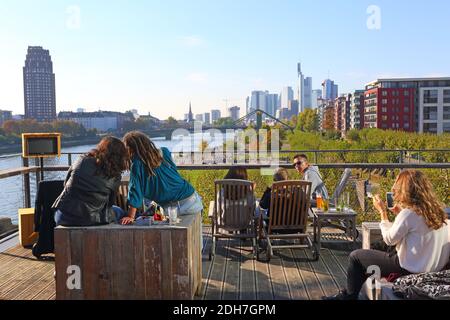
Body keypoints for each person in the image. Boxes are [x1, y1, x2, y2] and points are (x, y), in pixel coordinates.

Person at [323, 170, 450, 300]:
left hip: (408, 268)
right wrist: (398, 216)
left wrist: (383, 213)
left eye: (397, 186)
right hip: (433, 270)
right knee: (375, 247)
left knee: (356, 257)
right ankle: (354, 293)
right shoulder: (440, 213)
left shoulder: (409, 213)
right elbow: (414, 233)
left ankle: (348, 297)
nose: (394, 189)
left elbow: (389, 240)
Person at [119, 131, 203, 225]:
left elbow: (135, 192)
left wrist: (130, 217)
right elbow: (173, 173)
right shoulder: (165, 152)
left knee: (169, 237)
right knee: (195, 238)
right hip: (193, 200)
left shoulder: (136, 165)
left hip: (172, 209)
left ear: (130, 150)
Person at [53, 136, 128, 226]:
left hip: (63, 216)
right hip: (90, 219)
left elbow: (66, 184)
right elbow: (110, 202)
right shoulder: (115, 175)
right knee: (120, 212)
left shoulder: (81, 160)